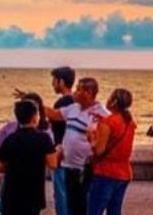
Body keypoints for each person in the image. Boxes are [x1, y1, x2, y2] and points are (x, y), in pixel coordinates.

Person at [39, 76, 107, 215]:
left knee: (83, 205)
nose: (74, 92)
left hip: (85, 169)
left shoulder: (101, 115)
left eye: (78, 89)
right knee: (71, 205)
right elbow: (55, 114)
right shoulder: (73, 108)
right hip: (68, 166)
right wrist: (35, 103)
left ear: (88, 93)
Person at [0, 99, 57, 215]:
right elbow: (53, 164)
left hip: (12, 192)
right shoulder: (43, 138)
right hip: (33, 193)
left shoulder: (10, 139)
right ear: (34, 117)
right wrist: (59, 150)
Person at [86, 88, 136, 215]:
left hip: (106, 172)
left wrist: (91, 138)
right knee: (115, 210)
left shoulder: (108, 122)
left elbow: (99, 150)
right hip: (124, 172)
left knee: (94, 210)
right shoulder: (129, 123)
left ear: (113, 102)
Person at [49, 66, 76, 215]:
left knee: (61, 194)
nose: (52, 84)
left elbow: (53, 126)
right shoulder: (77, 102)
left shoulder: (61, 104)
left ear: (61, 82)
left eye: (54, 80)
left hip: (61, 153)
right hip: (74, 155)